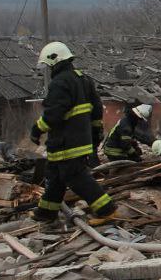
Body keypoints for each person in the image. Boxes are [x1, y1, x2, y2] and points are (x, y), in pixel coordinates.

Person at [30, 42, 118, 226]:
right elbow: (96, 112)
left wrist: (37, 129)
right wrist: (94, 137)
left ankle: (107, 209)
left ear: (55, 61)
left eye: (48, 65)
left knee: (75, 177)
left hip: (66, 144)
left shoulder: (60, 83)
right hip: (78, 141)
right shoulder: (83, 79)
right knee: (54, 177)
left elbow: (53, 115)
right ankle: (46, 212)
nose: (48, 69)